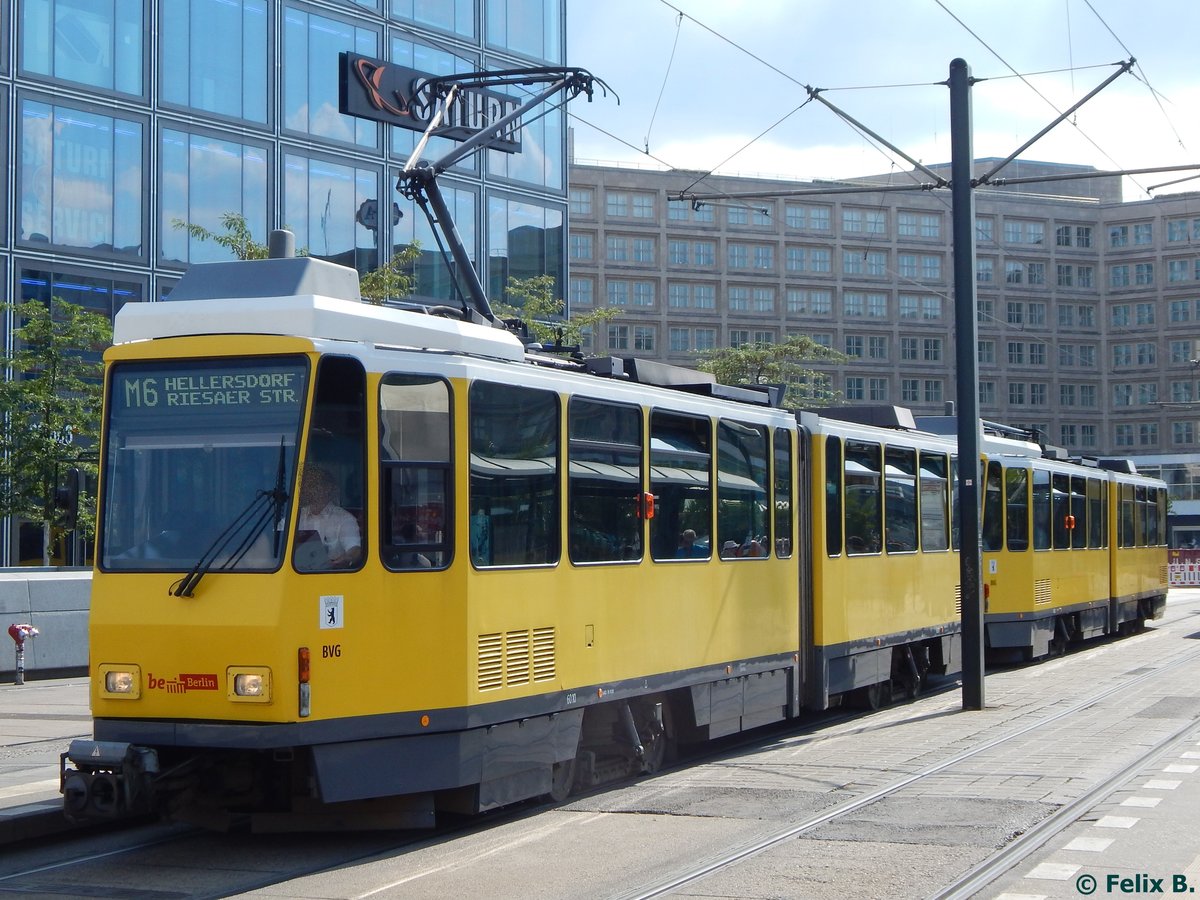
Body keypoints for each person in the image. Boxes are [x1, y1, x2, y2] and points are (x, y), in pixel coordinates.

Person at [297, 465, 361, 568]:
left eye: (314, 484)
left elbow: (355, 549)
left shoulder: (344, 519)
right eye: (307, 484)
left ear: (328, 488)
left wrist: (346, 559)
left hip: (330, 576)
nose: (309, 489)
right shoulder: (295, 517)